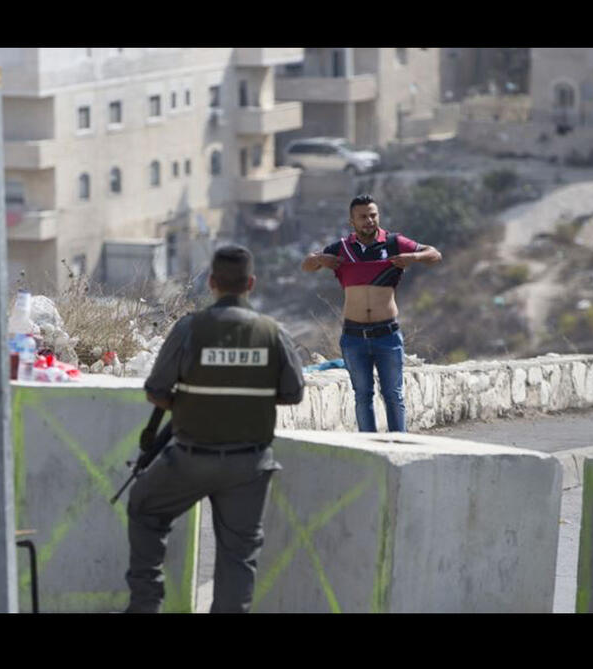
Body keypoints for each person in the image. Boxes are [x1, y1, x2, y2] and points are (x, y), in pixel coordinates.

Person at [125, 245, 305, 613]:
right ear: (250, 283)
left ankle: (145, 605)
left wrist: (195, 403)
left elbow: (156, 392)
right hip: (249, 465)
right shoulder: (274, 332)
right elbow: (293, 393)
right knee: (238, 556)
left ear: (211, 283)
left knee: (144, 509)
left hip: (189, 459)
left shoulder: (190, 328)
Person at [301, 194, 441, 432]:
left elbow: (435, 254)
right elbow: (307, 266)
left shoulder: (394, 243)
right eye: (362, 217)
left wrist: (413, 257)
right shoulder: (342, 249)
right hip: (354, 335)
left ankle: (400, 446)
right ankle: (370, 446)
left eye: (373, 215)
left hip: (387, 333)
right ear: (352, 221)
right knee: (363, 396)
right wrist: (319, 259)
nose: (369, 220)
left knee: (393, 395)